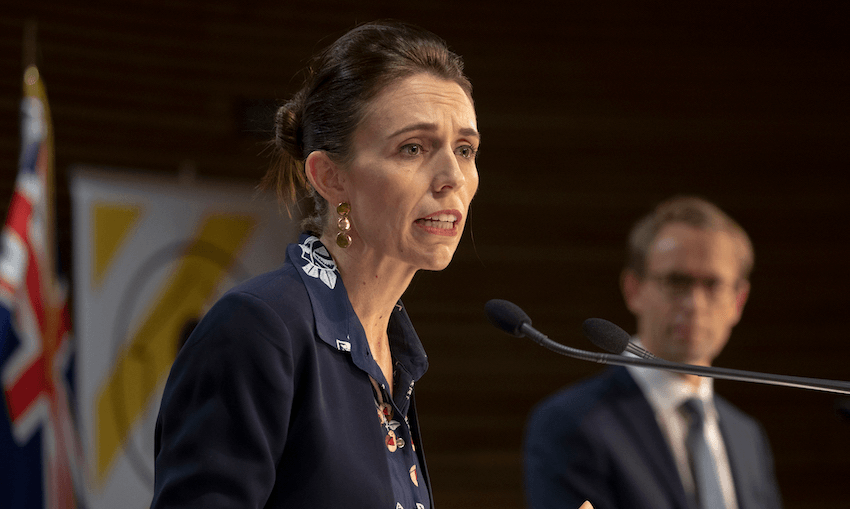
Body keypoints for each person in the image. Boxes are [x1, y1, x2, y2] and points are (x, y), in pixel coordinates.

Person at [150, 20, 480, 508]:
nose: (452, 177)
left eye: (465, 149)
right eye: (414, 147)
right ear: (330, 177)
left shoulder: (393, 353)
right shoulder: (259, 329)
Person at [524, 196, 783, 509]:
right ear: (633, 290)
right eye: (676, 281)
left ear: (738, 302)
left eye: (712, 285)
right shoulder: (571, 423)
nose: (694, 305)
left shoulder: (747, 437)